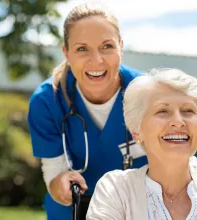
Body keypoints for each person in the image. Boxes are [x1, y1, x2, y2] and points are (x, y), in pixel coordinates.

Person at [28, 2, 147, 220]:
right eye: (82, 48)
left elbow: (183, 165)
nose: (96, 60)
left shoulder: (150, 96)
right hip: (74, 209)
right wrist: (60, 186)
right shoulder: (47, 101)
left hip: (139, 207)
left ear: (121, 46)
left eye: (107, 46)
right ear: (66, 52)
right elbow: (54, 173)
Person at [86, 68, 197, 220]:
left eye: (188, 110)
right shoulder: (116, 189)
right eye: (163, 111)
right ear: (136, 131)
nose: (178, 121)